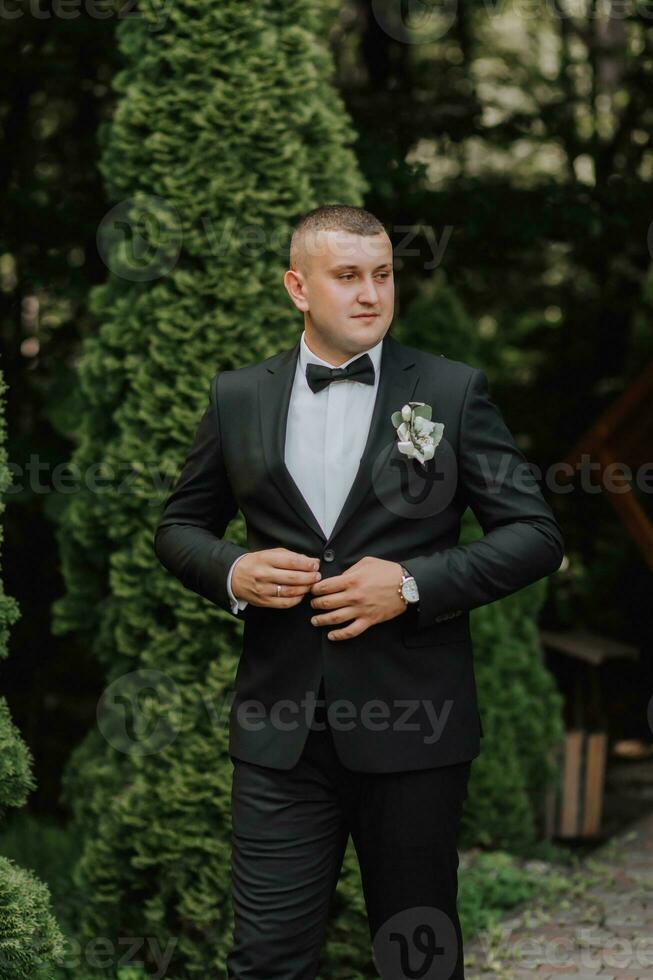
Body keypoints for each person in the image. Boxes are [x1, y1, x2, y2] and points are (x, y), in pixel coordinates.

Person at [153, 204, 564, 979]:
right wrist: (231, 571)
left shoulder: (449, 390)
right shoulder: (237, 396)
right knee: (267, 959)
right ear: (297, 287)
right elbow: (178, 526)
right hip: (280, 731)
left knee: (415, 959)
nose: (371, 294)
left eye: (382, 275)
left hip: (416, 724)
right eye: (347, 277)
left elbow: (535, 534)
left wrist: (410, 583)